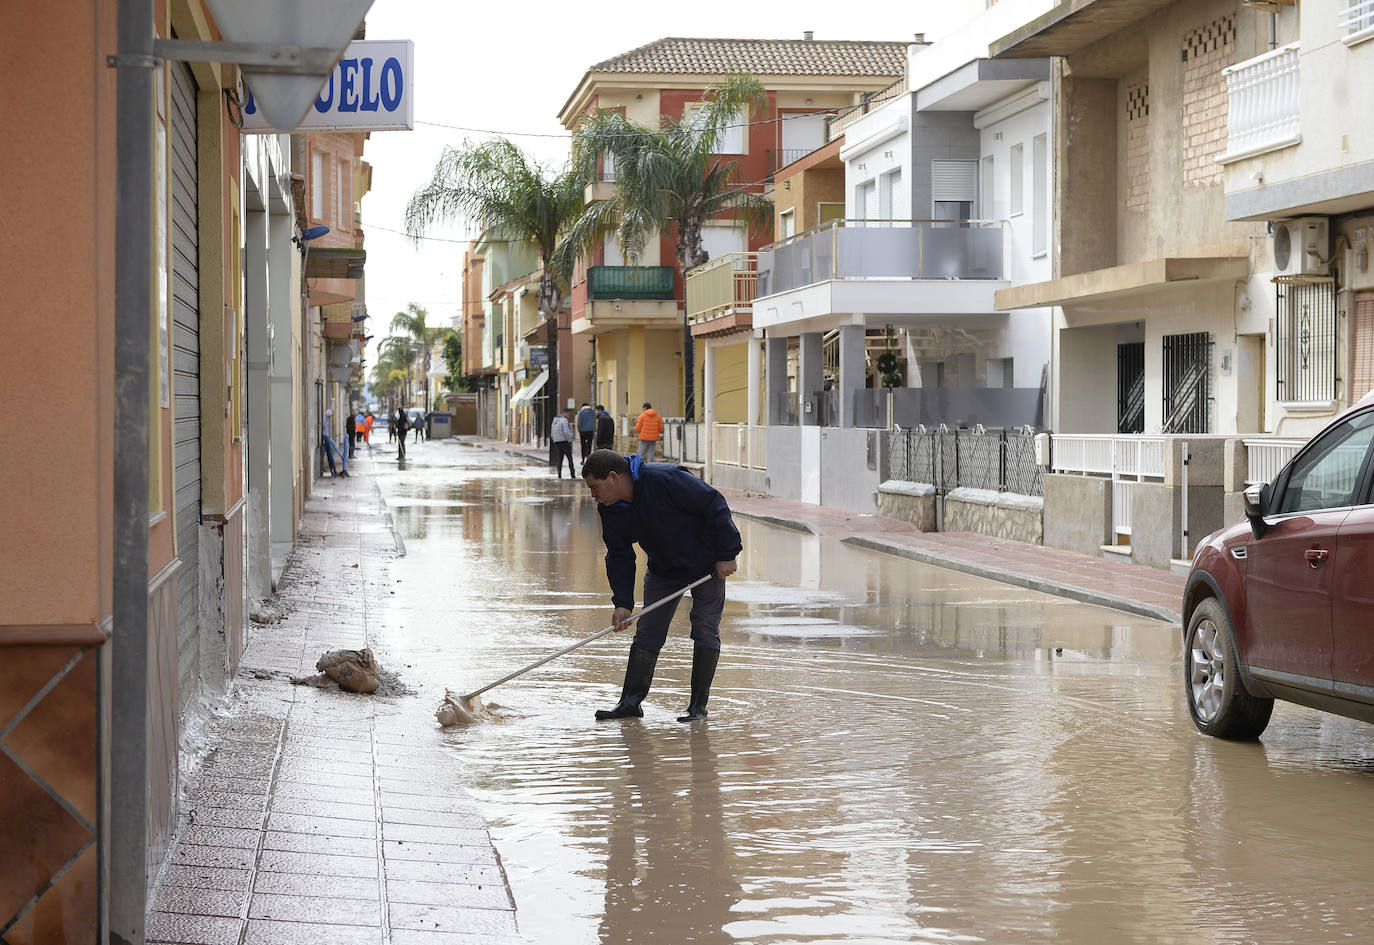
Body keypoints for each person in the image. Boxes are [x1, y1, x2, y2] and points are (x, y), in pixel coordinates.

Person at [581, 449, 741, 723]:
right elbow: (619, 555)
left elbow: (713, 504)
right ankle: (630, 703)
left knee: (704, 627)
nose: (593, 495)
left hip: (706, 564)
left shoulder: (664, 479)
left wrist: (727, 553)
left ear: (612, 478)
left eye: (595, 487)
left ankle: (697, 707)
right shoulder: (610, 510)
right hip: (664, 569)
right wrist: (622, 603)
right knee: (648, 632)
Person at [322, 409, 349, 478]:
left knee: (330, 453)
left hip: (326, 437)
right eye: (330, 416)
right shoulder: (324, 420)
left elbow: (325, 430)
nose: (330, 418)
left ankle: (333, 470)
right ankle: (333, 470)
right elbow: (325, 430)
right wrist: (327, 437)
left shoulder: (325, 419)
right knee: (330, 453)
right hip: (326, 437)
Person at [550, 407, 576, 478]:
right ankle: (572, 474)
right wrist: (570, 439)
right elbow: (566, 431)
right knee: (570, 458)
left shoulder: (555, 420)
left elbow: (552, 432)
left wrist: (554, 439)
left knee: (560, 458)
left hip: (557, 442)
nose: (569, 415)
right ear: (565, 413)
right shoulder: (564, 420)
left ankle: (559, 474)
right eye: (568, 414)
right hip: (565, 441)